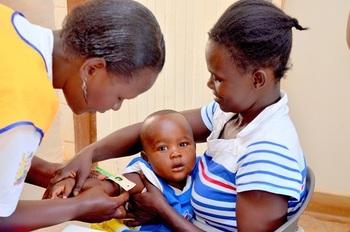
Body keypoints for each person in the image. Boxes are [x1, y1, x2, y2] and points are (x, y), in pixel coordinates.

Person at [51, 0, 308, 231]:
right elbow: (153, 131)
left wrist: (162, 210)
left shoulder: (267, 152)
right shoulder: (230, 115)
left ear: (258, 79)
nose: (210, 84)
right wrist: (90, 154)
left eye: (218, 78)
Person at [0, 0, 165, 230]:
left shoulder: (9, 21)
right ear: (91, 69)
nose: (116, 107)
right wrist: (78, 207)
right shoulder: (27, 106)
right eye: (120, 97)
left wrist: (51, 173)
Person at [45, 110, 198, 232]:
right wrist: (73, 182)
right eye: (162, 148)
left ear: (195, 147)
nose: (175, 153)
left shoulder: (198, 173)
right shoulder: (144, 177)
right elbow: (110, 186)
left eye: (183, 144)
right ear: (146, 158)